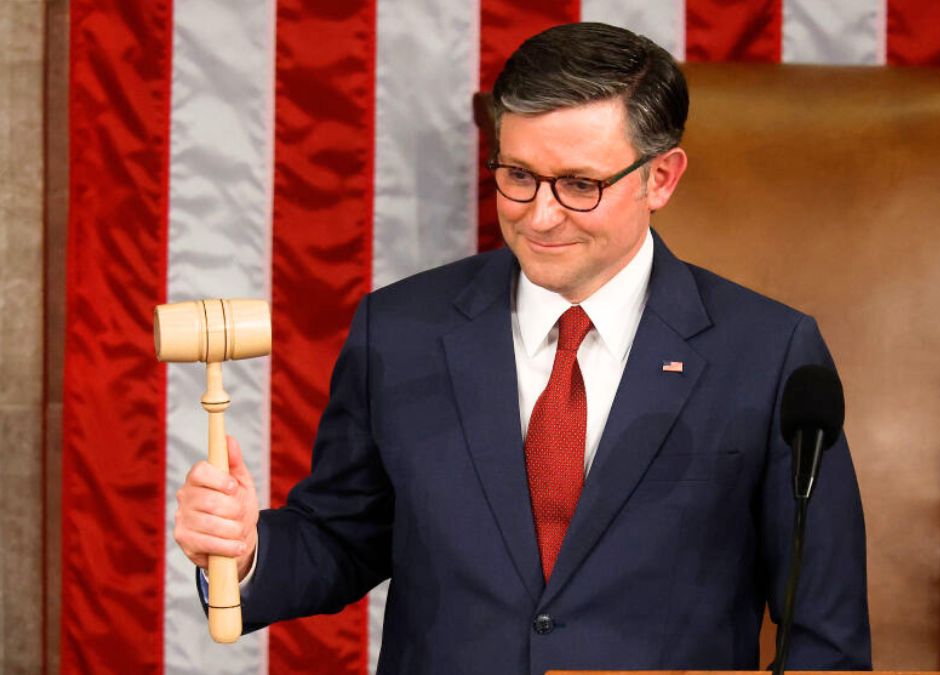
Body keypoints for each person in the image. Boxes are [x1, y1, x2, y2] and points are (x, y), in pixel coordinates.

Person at [174, 21, 870, 674]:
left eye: (579, 184)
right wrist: (246, 549)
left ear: (661, 177)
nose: (539, 215)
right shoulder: (401, 330)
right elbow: (340, 537)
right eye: (518, 175)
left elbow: (825, 637)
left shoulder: (771, 354)